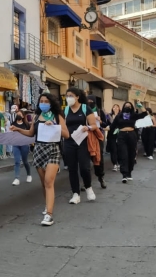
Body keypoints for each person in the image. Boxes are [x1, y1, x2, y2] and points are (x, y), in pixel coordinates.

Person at [10, 92, 69, 226]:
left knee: (49, 182)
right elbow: (31, 133)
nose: (43, 103)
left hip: (53, 150)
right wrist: (18, 129)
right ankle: (47, 206)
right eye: (41, 101)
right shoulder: (36, 116)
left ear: (51, 103)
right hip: (39, 150)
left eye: (46, 101)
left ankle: (49, 214)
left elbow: (67, 134)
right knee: (44, 183)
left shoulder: (58, 116)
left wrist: (54, 125)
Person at [62, 89, 99, 203]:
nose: (68, 98)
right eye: (67, 96)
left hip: (82, 141)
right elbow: (61, 124)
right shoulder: (66, 110)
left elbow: (94, 125)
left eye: (71, 95)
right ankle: (75, 194)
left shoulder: (85, 108)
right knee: (72, 169)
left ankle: (88, 188)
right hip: (69, 142)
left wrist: (87, 127)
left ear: (77, 97)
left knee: (84, 167)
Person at [109, 101, 148, 183]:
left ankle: (129, 172)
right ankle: (124, 174)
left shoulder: (133, 115)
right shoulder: (119, 116)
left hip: (132, 135)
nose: (127, 107)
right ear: (123, 107)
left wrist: (140, 105)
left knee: (131, 154)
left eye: (129, 106)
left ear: (131, 108)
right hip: (122, 136)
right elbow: (112, 126)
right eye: (126, 105)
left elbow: (145, 114)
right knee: (123, 154)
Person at [86, 95, 108, 189]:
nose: (90, 102)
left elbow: (106, 124)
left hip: (98, 136)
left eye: (91, 100)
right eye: (88, 100)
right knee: (85, 158)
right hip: (86, 135)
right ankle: (85, 181)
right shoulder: (84, 110)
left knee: (99, 157)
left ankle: (101, 177)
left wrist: (101, 121)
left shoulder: (100, 111)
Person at [11, 110, 32, 185]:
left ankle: (29, 174)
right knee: (17, 161)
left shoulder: (26, 124)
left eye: (20, 114)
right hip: (16, 144)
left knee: (25, 161)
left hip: (24, 145)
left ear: (23, 116)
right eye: (17, 114)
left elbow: (30, 133)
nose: (18, 115)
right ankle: (17, 178)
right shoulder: (13, 124)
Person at [106, 104, 120, 171]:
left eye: (117, 107)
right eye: (114, 107)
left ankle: (119, 163)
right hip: (111, 134)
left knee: (119, 149)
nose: (115, 108)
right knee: (113, 150)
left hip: (119, 134)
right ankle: (115, 164)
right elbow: (106, 123)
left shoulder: (121, 115)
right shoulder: (109, 116)